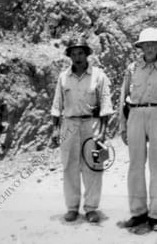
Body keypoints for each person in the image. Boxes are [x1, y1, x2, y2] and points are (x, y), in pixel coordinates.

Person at [119, 27, 157, 231]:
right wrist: (122, 126)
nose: (150, 48)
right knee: (135, 165)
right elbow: (123, 97)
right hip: (135, 114)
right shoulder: (132, 68)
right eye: (146, 44)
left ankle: (155, 215)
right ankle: (138, 212)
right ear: (141, 47)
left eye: (154, 44)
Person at [50, 37, 114, 223]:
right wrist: (55, 129)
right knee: (69, 166)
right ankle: (72, 208)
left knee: (93, 166)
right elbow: (57, 105)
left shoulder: (99, 76)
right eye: (73, 53)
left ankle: (91, 208)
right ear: (69, 56)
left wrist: (103, 131)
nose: (77, 57)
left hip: (91, 125)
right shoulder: (64, 77)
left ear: (87, 54)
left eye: (80, 53)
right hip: (69, 125)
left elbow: (106, 105)